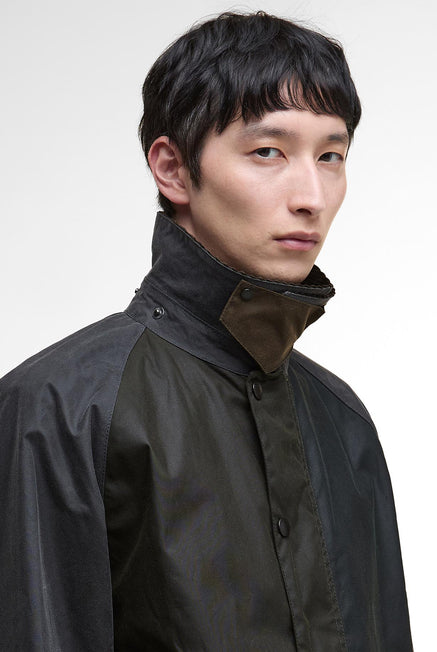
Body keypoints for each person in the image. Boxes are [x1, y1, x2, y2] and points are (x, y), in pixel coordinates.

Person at [0, 11, 412, 651]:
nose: (311, 195)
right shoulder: (59, 410)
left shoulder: (343, 420)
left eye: (331, 156)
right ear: (172, 169)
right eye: (268, 152)